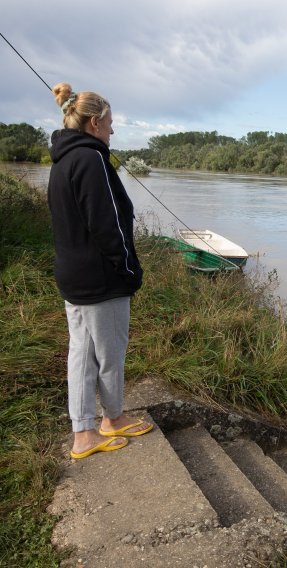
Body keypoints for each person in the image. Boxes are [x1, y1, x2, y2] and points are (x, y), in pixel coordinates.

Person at [48, 82, 152, 459]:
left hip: (74, 276)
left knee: (82, 351)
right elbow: (108, 226)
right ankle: (109, 421)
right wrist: (129, 270)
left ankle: (85, 431)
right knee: (109, 352)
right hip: (100, 278)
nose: (113, 130)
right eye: (110, 123)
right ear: (94, 123)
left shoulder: (62, 160)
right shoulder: (91, 160)